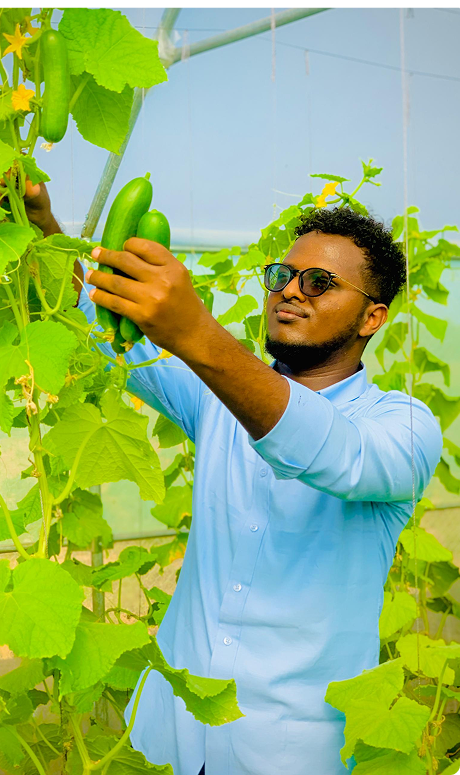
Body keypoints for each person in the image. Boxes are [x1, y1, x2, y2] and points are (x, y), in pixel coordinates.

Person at [22, 180, 442, 775]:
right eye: (283, 276)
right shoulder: (217, 396)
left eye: (320, 282)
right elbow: (98, 318)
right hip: (170, 735)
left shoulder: (402, 426)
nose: (292, 292)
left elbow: (334, 455)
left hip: (290, 752)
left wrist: (197, 332)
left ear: (372, 316)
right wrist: (42, 225)